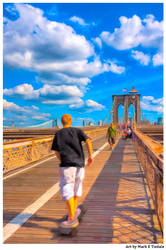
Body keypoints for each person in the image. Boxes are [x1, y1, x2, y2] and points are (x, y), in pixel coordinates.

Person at [51, 114, 93, 228]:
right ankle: (73, 211)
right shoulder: (77, 131)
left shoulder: (58, 134)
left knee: (67, 187)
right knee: (77, 187)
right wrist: (90, 156)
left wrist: (62, 159)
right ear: (71, 120)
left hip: (67, 164)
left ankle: (71, 218)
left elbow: (56, 151)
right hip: (80, 164)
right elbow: (88, 141)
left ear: (61, 122)